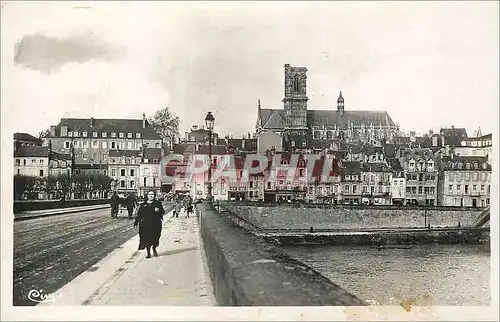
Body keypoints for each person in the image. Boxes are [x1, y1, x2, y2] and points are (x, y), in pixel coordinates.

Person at [134, 190, 165, 258]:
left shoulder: (158, 203)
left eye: (152, 194)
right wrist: (136, 222)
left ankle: (154, 248)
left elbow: (163, 211)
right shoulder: (143, 204)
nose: (151, 196)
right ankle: (148, 252)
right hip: (145, 224)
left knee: (155, 237)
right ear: (147, 196)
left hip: (155, 224)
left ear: (154, 196)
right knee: (146, 238)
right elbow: (139, 214)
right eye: (149, 194)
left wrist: (159, 210)